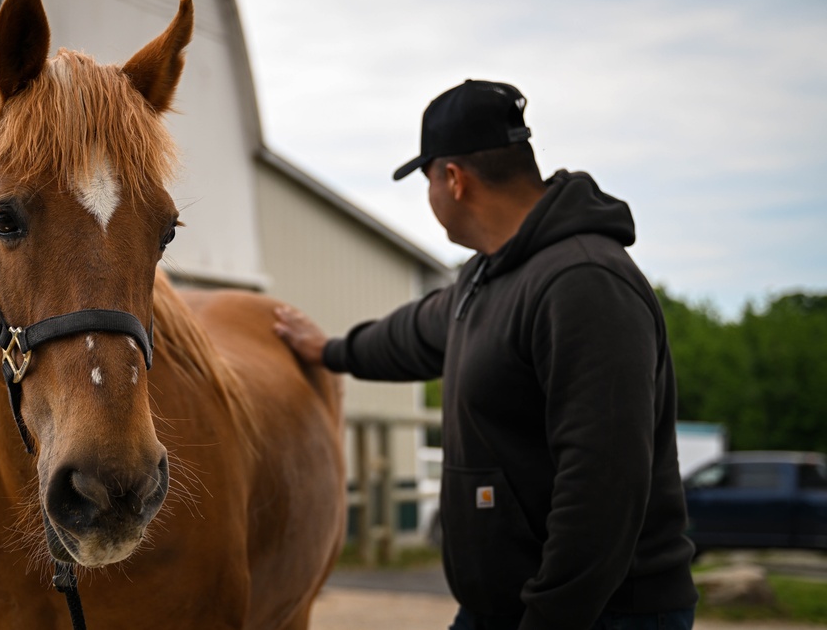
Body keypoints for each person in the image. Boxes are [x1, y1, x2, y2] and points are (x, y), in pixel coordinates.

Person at [273, 80, 698, 630]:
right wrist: (328, 350)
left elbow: (602, 484)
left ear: (453, 179)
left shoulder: (584, 282)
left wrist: (548, 618)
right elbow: (413, 334)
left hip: (598, 615)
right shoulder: (489, 277)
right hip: (502, 608)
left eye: (426, 180)